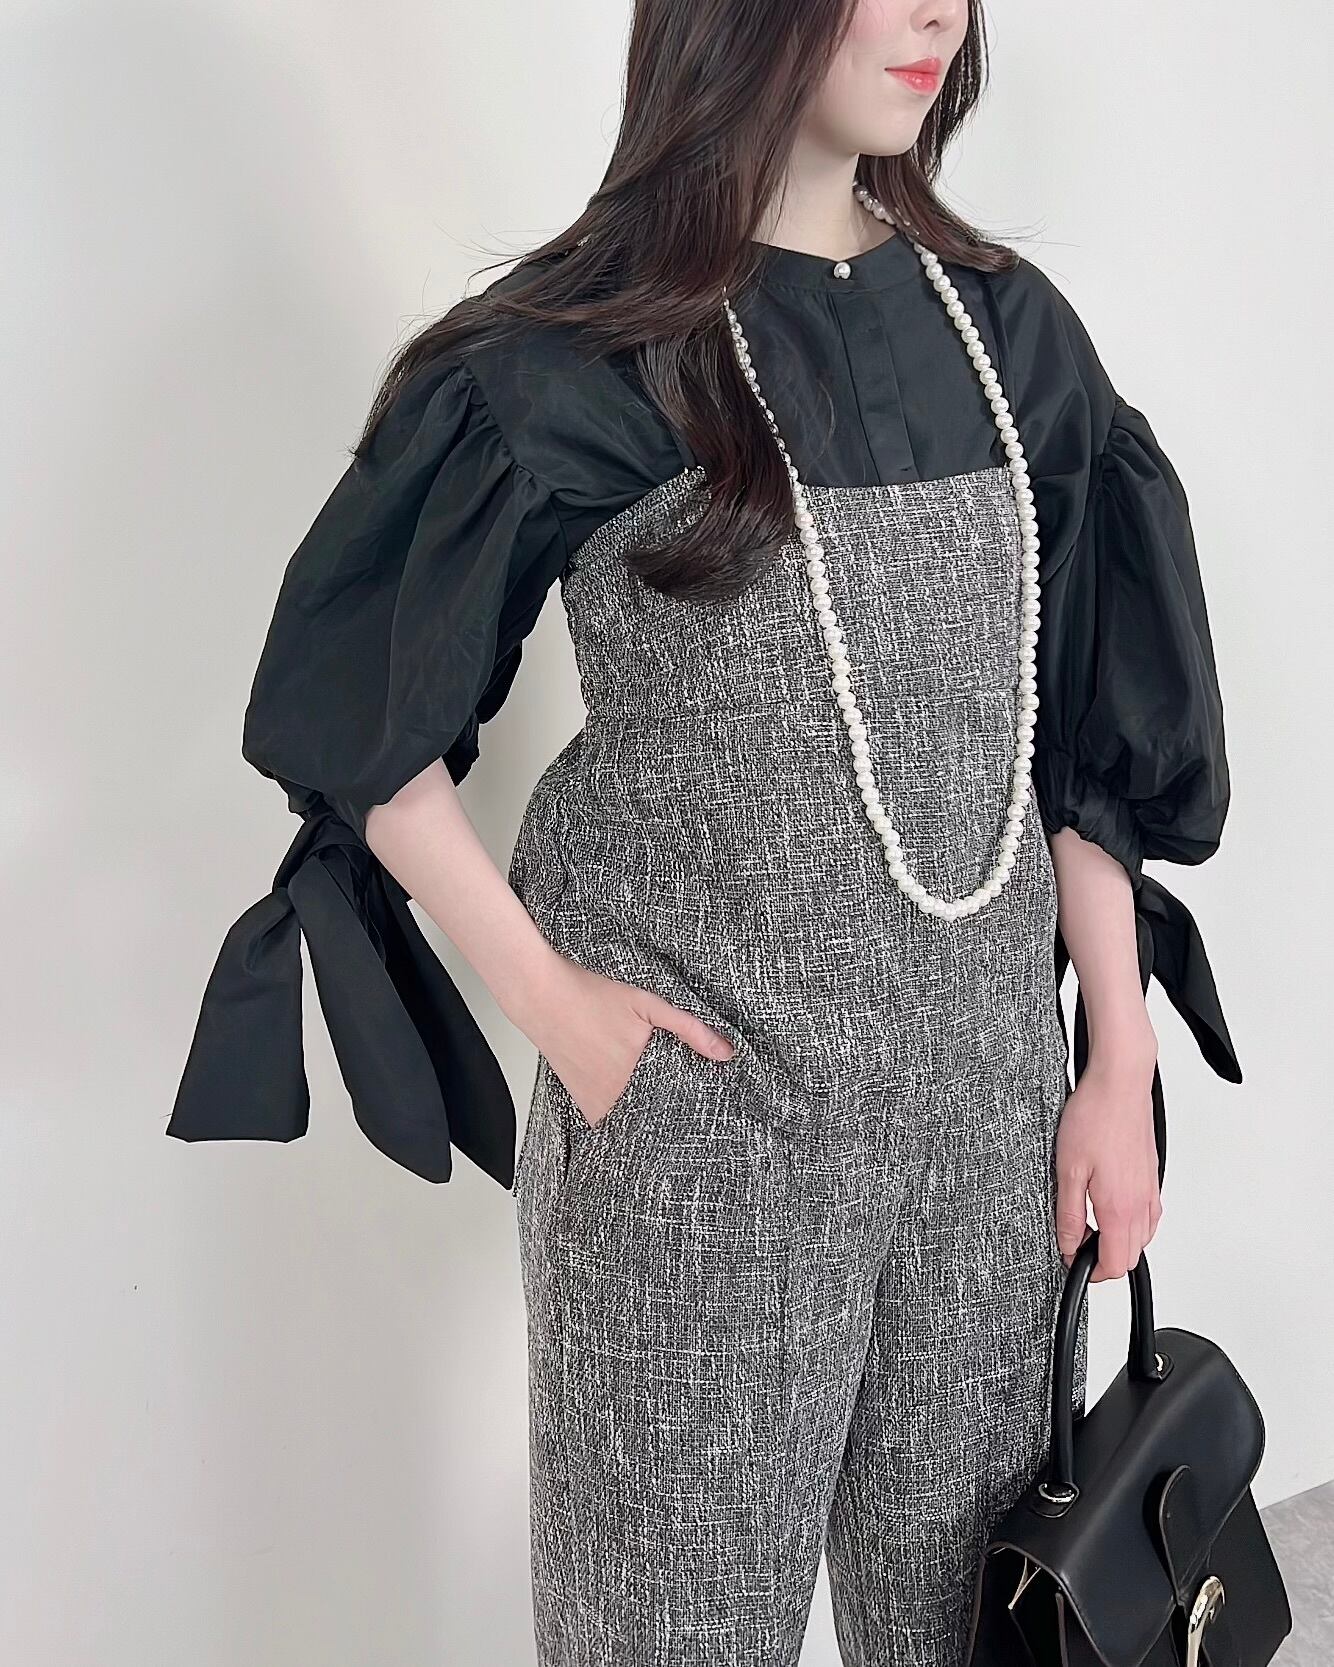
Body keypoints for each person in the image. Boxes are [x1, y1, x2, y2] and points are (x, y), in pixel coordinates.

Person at [167, 0, 1243, 1661]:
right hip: (707, 1148)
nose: (933, 12)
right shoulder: (581, 353)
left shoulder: (1007, 332)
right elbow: (359, 724)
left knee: (978, 1631)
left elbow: (1083, 737)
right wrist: (561, 1015)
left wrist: (1113, 1061)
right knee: (667, 1633)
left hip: (992, 1137)